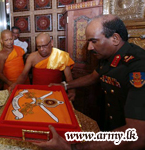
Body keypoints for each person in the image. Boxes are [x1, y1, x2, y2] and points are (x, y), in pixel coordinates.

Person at [35, 15, 145, 149]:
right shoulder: (109, 57)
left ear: (115, 38)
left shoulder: (138, 66)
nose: (89, 48)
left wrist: (73, 148)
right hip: (111, 128)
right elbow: (93, 77)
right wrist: (65, 85)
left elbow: (137, 135)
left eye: (94, 41)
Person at [11, 33, 76, 101]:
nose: (41, 49)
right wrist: (16, 84)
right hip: (36, 93)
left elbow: (69, 78)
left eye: (44, 46)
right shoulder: (32, 57)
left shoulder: (62, 56)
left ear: (51, 42)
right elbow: (24, 75)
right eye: (39, 47)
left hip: (55, 93)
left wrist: (72, 92)